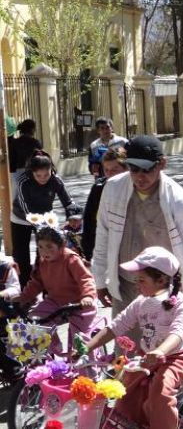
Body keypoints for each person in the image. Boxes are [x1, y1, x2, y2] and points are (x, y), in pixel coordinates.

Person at [92, 135, 183, 339]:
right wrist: (100, 280)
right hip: (126, 287)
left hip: (164, 294)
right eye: (134, 169)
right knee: (125, 358)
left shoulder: (177, 200)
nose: (140, 176)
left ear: (162, 164)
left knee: (163, 357)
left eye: (147, 169)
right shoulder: (113, 189)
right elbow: (103, 236)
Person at [84, 246, 183, 428]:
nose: (137, 285)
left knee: (161, 392)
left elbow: (178, 332)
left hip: (175, 358)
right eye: (137, 280)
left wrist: (160, 351)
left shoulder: (181, 303)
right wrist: (90, 345)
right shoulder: (141, 302)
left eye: (142, 280)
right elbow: (116, 326)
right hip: (147, 356)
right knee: (126, 392)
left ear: (161, 280)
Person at [13, 223, 96, 352]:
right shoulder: (42, 261)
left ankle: (88, 368)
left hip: (80, 303)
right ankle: (54, 348)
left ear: (61, 246)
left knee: (79, 339)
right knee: (36, 321)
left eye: (49, 247)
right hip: (55, 301)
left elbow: (85, 279)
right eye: (40, 247)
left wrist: (88, 296)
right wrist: (24, 297)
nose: (44, 251)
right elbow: (36, 283)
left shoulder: (71, 259)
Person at [11, 150, 80, 287]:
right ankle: (24, 289)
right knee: (21, 255)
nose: (43, 178)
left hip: (45, 217)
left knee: (45, 254)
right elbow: (27, 209)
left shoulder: (55, 180)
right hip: (21, 218)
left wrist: (72, 215)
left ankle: (46, 287)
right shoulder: (23, 182)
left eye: (46, 174)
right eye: (38, 175)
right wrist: (40, 225)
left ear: (51, 170)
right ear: (32, 172)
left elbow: (68, 201)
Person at [81, 146, 129, 262]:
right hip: (103, 246)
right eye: (106, 170)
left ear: (126, 169)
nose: (110, 174)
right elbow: (89, 220)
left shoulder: (132, 188)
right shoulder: (98, 188)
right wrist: (87, 251)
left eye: (114, 170)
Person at [0, 257, 23, 380]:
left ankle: (14, 371)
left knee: (6, 349)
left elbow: (15, 289)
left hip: (5, 315)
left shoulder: (6, 267)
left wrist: (3, 293)